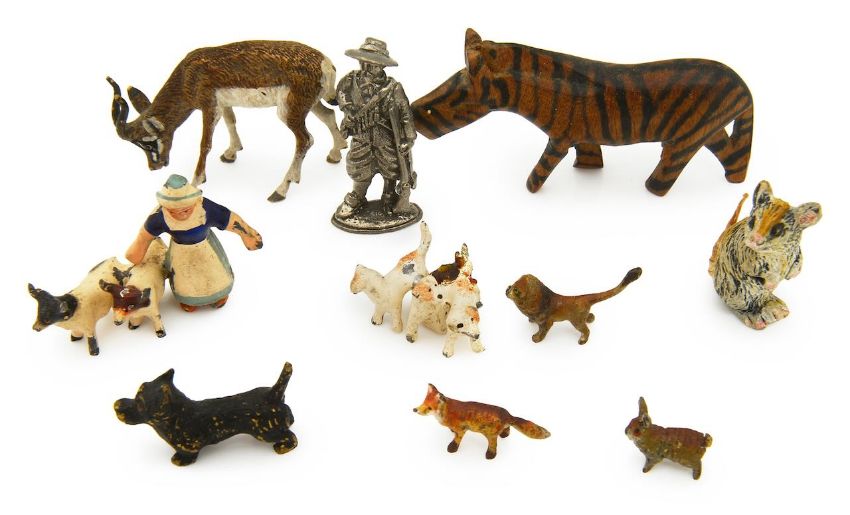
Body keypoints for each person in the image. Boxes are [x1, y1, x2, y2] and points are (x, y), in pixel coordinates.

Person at [126, 174, 262, 312]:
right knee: (186, 279)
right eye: (173, 211)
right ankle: (189, 299)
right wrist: (135, 253)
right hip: (181, 254)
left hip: (206, 248)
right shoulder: (160, 216)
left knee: (214, 273)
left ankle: (219, 294)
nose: (181, 214)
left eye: (186, 210)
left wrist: (248, 235)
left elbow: (230, 219)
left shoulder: (205, 208)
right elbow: (144, 236)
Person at [334, 38, 417, 219]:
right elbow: (341, 94)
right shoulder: (350, 80)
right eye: (364, 62)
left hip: (386, 135)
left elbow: (405, 113)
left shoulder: (393, 88)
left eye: (373, 65)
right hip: (362, 133)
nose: (367, 68)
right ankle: (357, 196)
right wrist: (348, 110)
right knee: (358, 165)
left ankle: (389, 195)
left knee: (391, 165)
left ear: (382, 66)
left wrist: (409, 138)